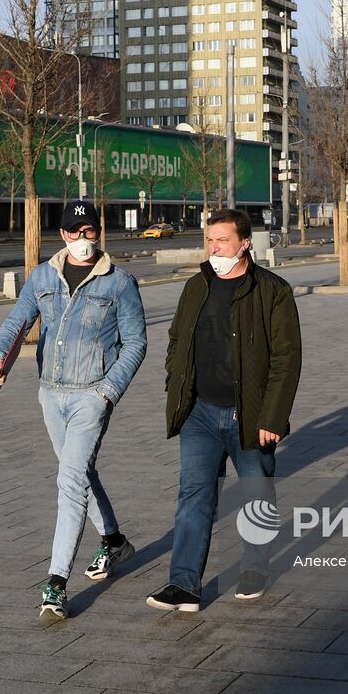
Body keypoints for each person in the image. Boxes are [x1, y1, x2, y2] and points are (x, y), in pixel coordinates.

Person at [0, 200, 147, 619]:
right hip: (50, 394)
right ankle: (114, 542)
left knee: (69, 481)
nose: (82, 239)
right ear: (62, 235)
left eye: (89, 230)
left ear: (99, 233)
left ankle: (56, 583)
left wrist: (107, 393)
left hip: (91, 395)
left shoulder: (119, 283)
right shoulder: (42, 276)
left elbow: (135, 343)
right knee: (80, 473)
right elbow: (17, 319)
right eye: (74, 232)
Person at [147, 209, 302, 612]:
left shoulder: (272, 291)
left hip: (250, 414)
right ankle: (184, 585)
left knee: (256, 494)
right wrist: (176, 385)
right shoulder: (196, 286)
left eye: (222, 241)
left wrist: (273, 417)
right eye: (210, 240)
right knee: (193, 496)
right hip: (199, 412)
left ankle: (254, 569)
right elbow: (177, 339)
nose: (214, 248)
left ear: (245, 243)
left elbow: (287, 359)